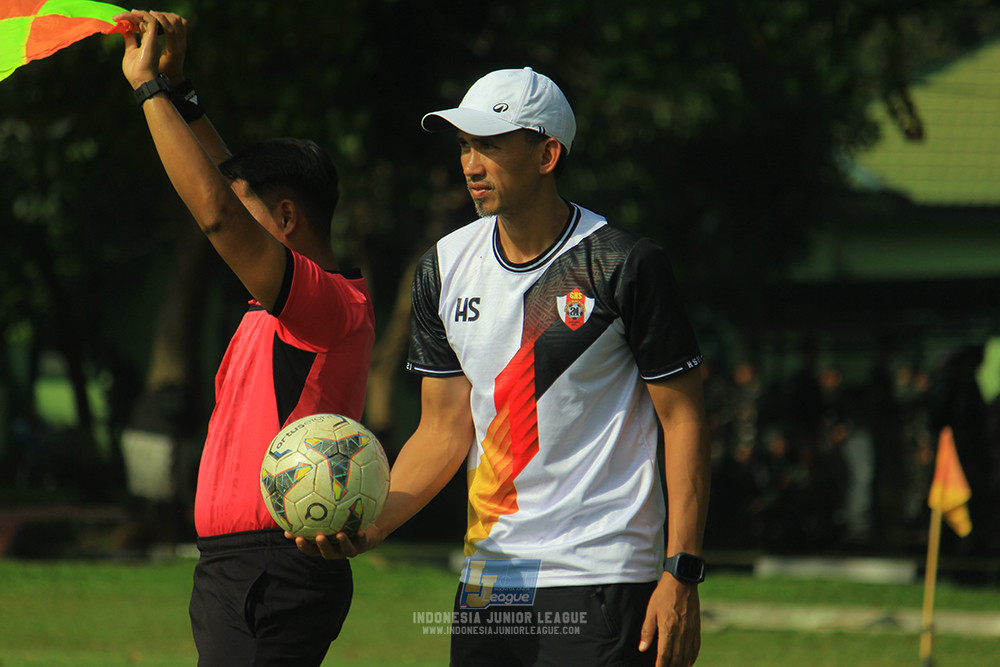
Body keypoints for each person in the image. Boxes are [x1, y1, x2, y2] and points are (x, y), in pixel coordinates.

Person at [296, 67, 710, 666]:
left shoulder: (625, 263)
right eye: (465, 145)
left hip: (602, 571)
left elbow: (685, 419)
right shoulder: (443, 267)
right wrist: (372, 524)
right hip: (493, 579)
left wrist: (682, 571)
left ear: (547, 155)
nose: (470, 164)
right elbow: (443, 430)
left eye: (489, 145)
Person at [116, 12, 375, 666]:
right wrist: (181, 90)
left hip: (275, 566)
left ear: (285, 217)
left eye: (252, 215)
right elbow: (232, 187)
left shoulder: (328, 305)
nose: (237, 231)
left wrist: (147, 92)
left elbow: (218, 212)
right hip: (238, 565)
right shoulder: (282, 305)